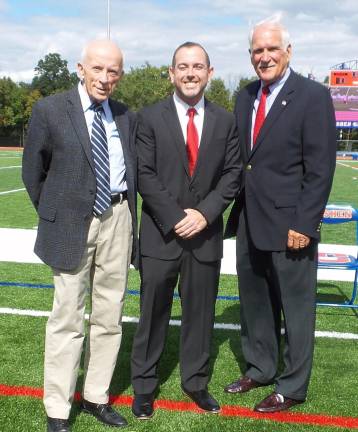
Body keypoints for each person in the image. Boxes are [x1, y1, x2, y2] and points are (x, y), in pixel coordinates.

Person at [22, 39, 137, 432]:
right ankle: (58, 408)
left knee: (110, 314)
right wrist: (57, 214)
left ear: (120, 76)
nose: (105, 79)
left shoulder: (124, 114)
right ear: (80, 68)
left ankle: (96, 397)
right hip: (72, 222)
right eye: (98, 69)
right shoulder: (50, 109)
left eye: (113, 71)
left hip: (118, 217)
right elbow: (32, 173)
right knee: (67, 317)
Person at [224, 17, 337, 412]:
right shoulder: (244, 96)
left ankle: (291, 386)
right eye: (258, 50)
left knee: (297, 309)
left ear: (289, 52)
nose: (265, 56)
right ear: (250, 55)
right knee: (255, 302)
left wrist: (305, 224)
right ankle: (261, 367)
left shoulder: (312, 96)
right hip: (250, 223)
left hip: (292, 227)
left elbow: (321, 168)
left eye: (272, 48)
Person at [130, 41, 241, 419]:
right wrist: (178, 216)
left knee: (200, 315)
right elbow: (143, 173)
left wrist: (205, 214)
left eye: (197, 66)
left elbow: (232, 174)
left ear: (209, 73)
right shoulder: (148, 118)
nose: (190, 73)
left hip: (205, 237)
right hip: (161, 235)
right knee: (152, 313)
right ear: (171, 73)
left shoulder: (226, 121)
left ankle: (196, 382)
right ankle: (144, 387)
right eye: (183, 66)